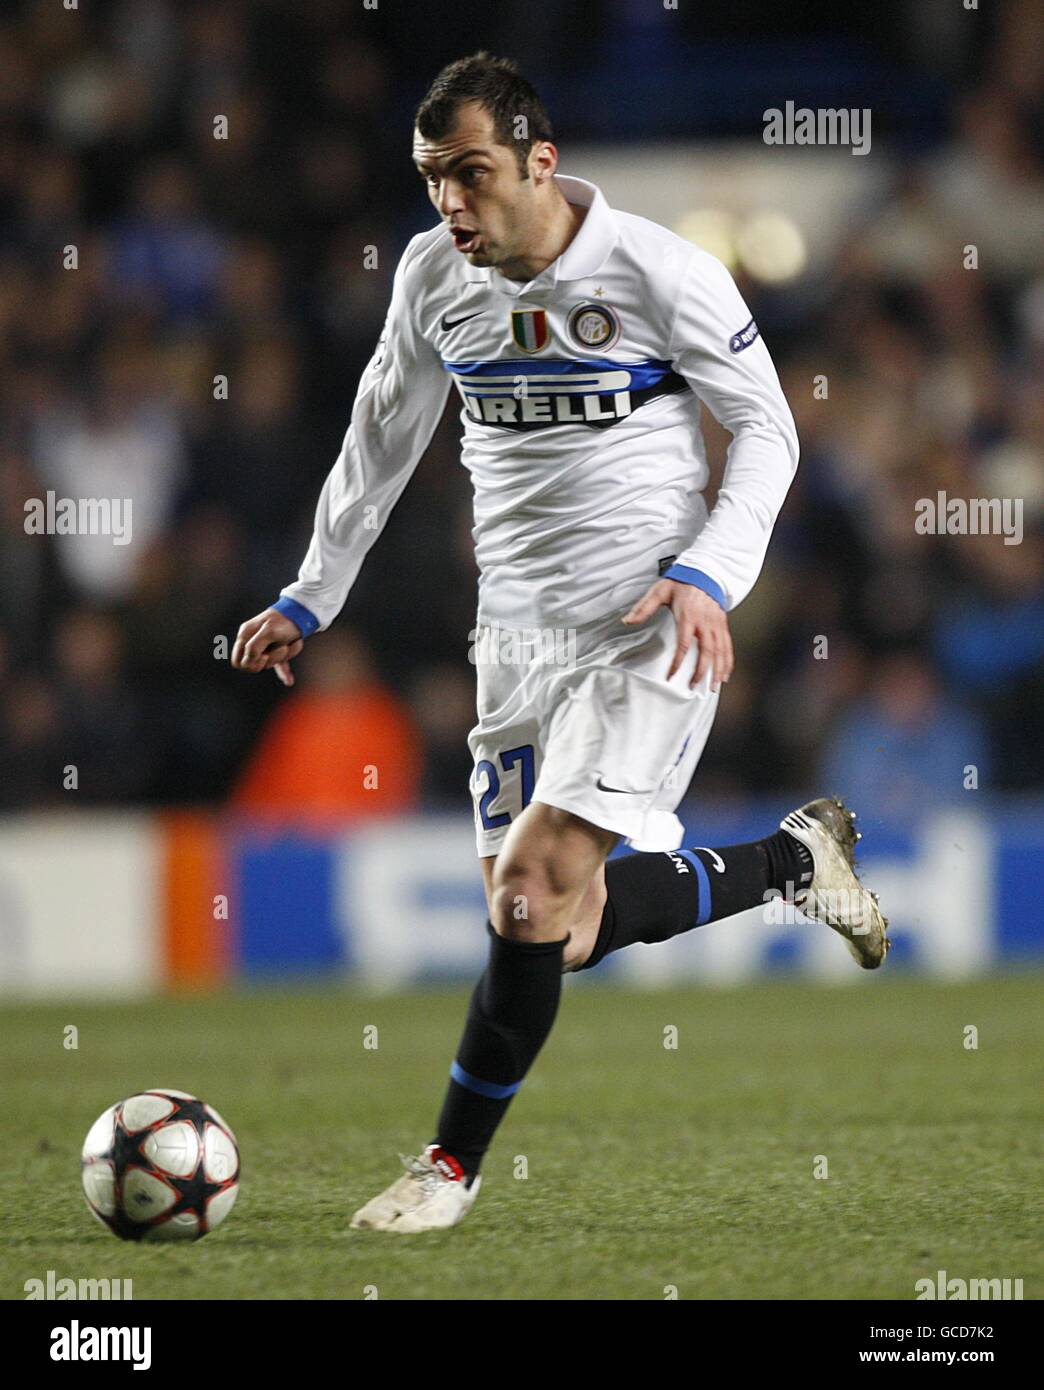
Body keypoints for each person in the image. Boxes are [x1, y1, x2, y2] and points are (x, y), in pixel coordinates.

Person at [232, 52, 889, 1233]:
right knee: (561, 927)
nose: (450, 203)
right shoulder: (434, 277)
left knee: (528, 895)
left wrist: (709, 575)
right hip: (516, 637)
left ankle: (446, 1170)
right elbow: (378, 436)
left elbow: (770, 433)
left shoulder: (658, 270)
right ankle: (796, 862)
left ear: (541, 160)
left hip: (649, 622)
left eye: (472, 175)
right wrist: (311, 594)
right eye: (434, 177)